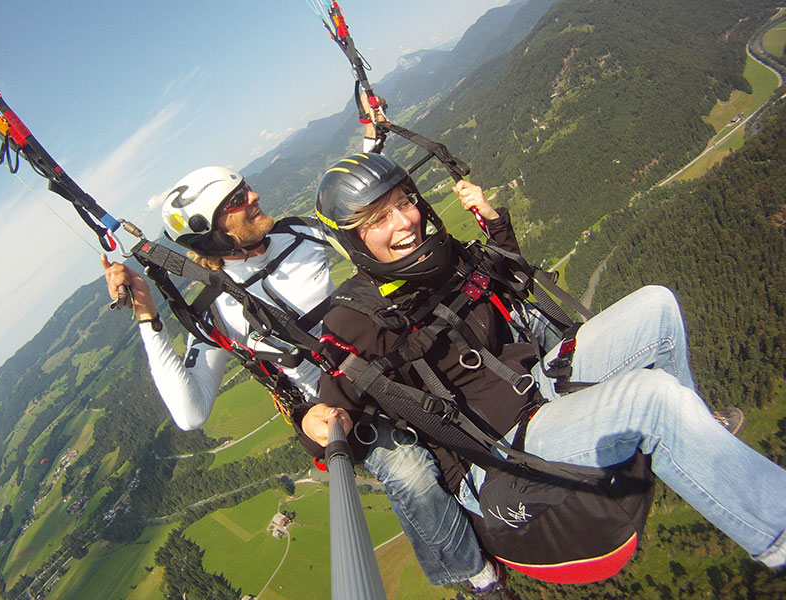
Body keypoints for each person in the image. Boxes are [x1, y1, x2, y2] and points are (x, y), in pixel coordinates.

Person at [299, 152, 786, 579]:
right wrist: (311, 422)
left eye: (405, 203)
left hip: (538, 384)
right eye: (378, 219)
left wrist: (494, 224)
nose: (405, 222)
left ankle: (699, 433)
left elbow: (508, 278)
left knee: (656, 307)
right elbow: (335, 413)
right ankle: (777, 533)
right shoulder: (353, 319)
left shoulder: (440, 256)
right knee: (651, 400)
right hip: (499, 450)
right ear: (353, 241)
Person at [101, 144, 512, 594]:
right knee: (411, 473)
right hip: (345, 411)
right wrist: (148, 317)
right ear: (211, 235)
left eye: (243, 187)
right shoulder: (214, 308)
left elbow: (363, 231)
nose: (254, 195)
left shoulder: (302, 234)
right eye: (236, 201)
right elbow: (190, 412)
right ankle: (480, 580)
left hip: (392, 358)